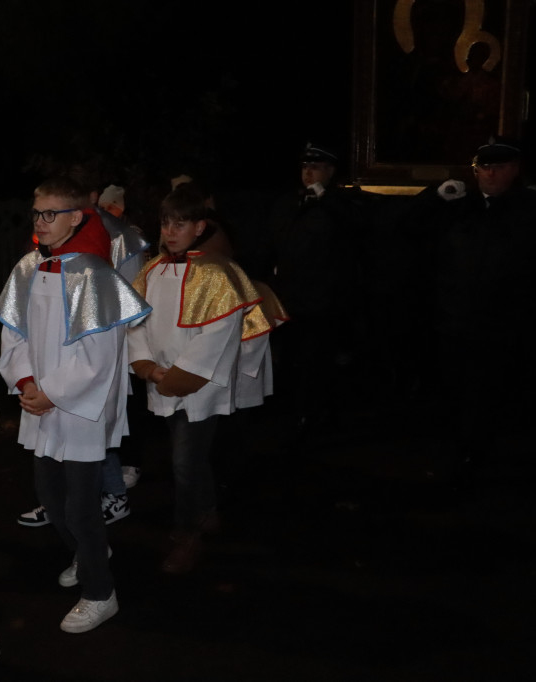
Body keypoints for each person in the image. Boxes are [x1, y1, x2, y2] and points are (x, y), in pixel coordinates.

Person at [0, 176, 151, 633]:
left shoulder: (94, 274)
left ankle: (101, 593)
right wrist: (25, 380)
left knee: (82, 506)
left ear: (76, 217)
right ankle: (89, 553)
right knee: (50, 497)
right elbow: (14, 333)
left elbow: (100, 357)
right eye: (36, 213)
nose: (40, 223)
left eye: (51, 214)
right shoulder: (28, 268)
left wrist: (52, 393)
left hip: (80, 406)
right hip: (39, 401)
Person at [128, 183, 267, 574]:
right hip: (160, 377)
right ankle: (205, 510)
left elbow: (220, 331)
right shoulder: (152, 270)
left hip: (198, 384)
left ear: (199, 227)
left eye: (181, 224)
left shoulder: (218, 273)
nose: (170, 231)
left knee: (184, 461)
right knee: (188, 458)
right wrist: (146, 366)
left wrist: (179, 374)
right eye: (166, 223)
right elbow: (135, 323)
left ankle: (187, 534)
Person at [413, 137, 536, 484]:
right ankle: (460, 451)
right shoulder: (458, 203)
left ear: (514, 170)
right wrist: (433, 197)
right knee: (455, 388)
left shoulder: (535, 209)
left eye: (499, 167)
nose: (490, 174)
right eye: (484, 167)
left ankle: (480, 456)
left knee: (492, 391)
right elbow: (406, 232)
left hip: (505, 320)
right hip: (454, 316)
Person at [260, 143, 366, 445]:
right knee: (291, 359)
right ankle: (295, 413)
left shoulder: (341, 204)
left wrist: (327, 199)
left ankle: (315, 416)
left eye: (316, 166)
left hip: (324, 300)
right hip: (289, 297)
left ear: (330, 171)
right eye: (305, 166)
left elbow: (357, 230)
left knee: (318, 361)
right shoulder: (288, 202)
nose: (308, 172)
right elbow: (272, 242)